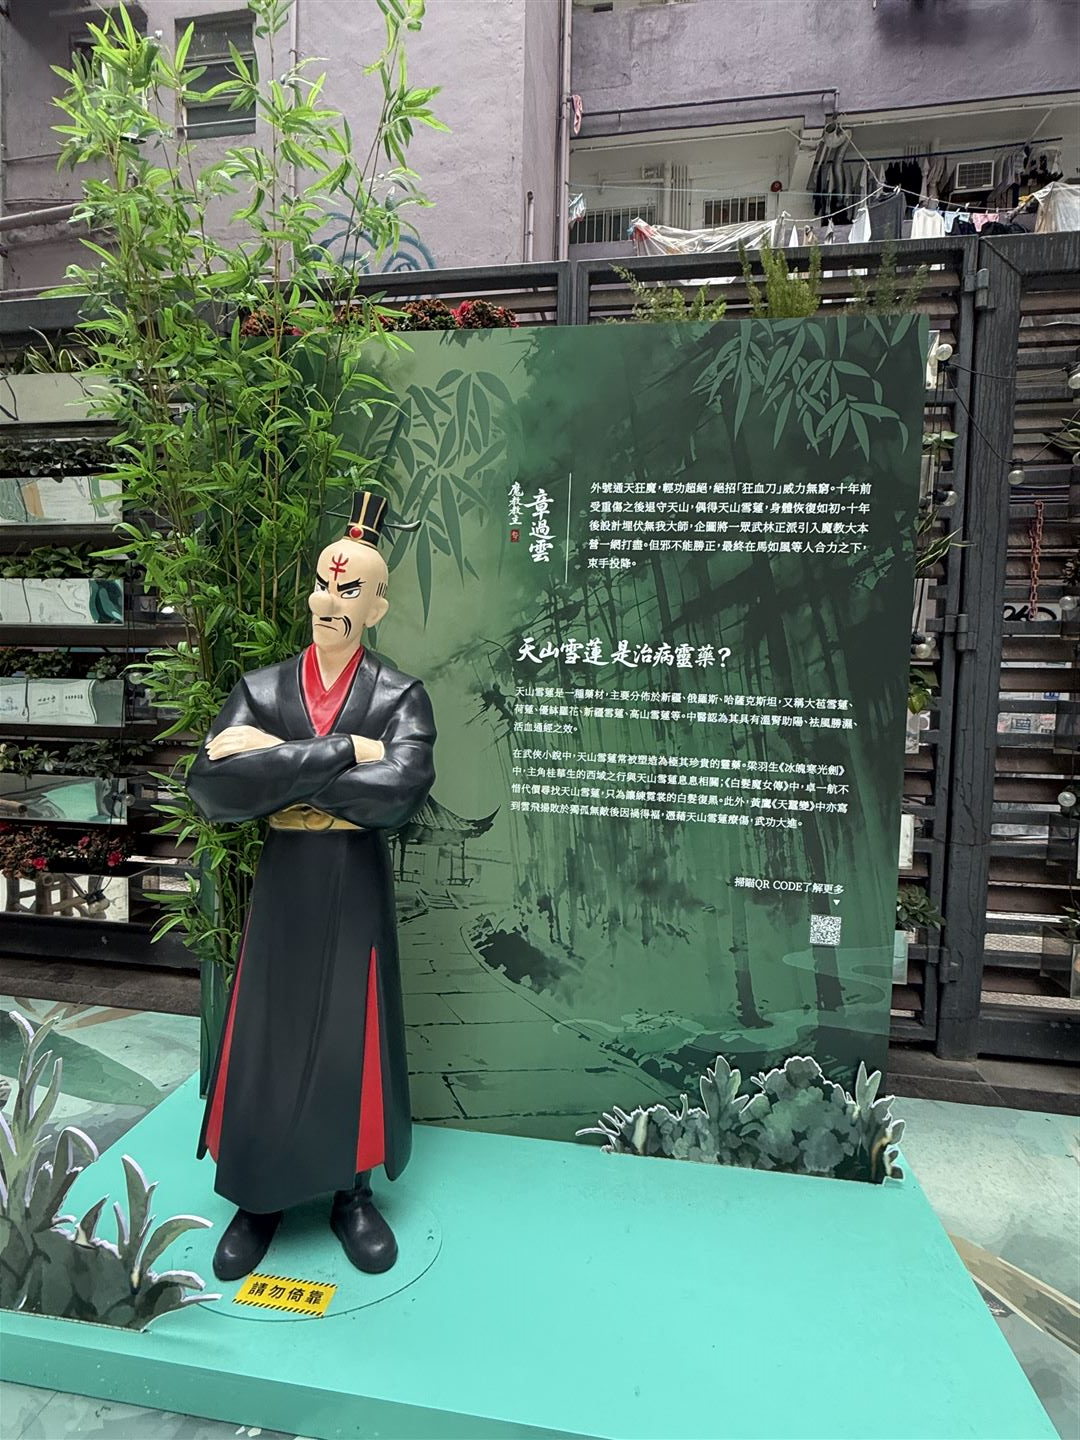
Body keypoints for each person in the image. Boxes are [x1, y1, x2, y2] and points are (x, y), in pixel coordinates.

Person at [188, 491, 436, 1282]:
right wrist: (345, 751)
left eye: (350, 589)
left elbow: (400, 793)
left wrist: (275, 764)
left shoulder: (399, 696)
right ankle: (257, 1196)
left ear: (376, 606)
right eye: (325, 586)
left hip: (353, 882)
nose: (331, 601)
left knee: (350, 1035)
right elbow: (213, 788)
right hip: (285, 880)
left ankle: (350, 1193)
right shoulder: (262, 687)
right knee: (267, 1029)